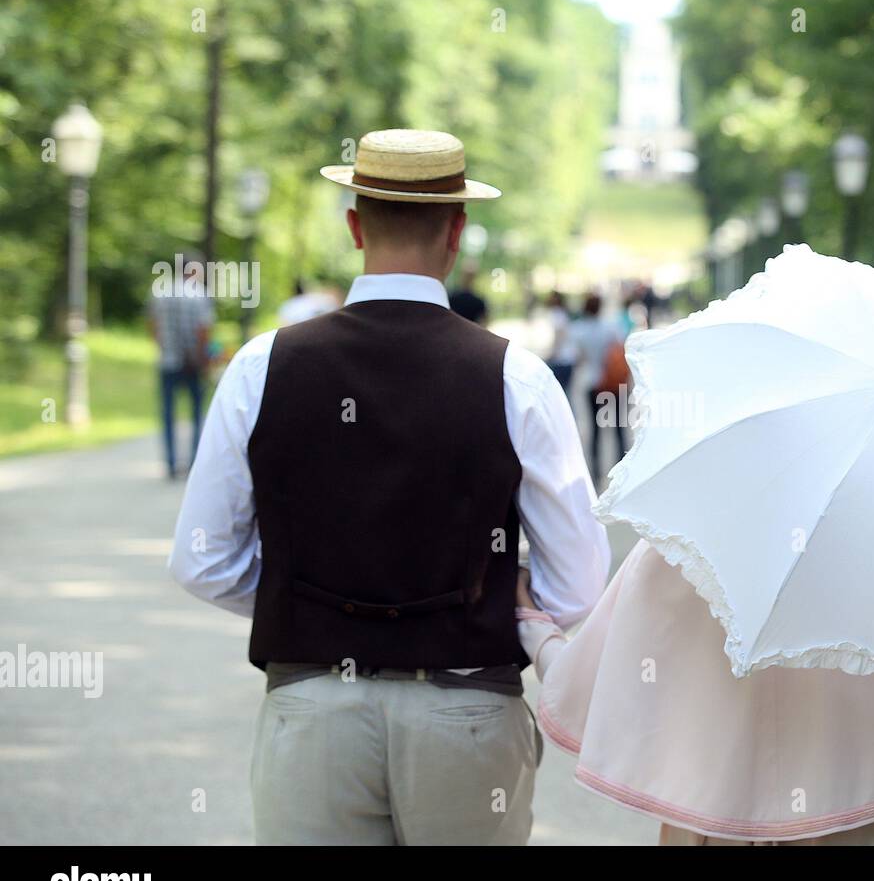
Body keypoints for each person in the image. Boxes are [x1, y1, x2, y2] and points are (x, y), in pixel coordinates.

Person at [168, 129, 610, 845]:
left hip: (311, 708)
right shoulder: (516, 378)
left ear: (353, 226)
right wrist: (496, 603)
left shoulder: (262, 366)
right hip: (465, 709)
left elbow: (200, 559)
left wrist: (306, 602)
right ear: (457, 231)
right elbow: (581, 581)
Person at [516, 541, 874, 846]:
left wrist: (538, 632)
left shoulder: (676, 546)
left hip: (709, 831)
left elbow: (589, 691)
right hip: (849, 827)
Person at [151, 252, 213, 479]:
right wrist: (204, 359)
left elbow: (154, 326)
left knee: (167, 412)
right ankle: (194, 461)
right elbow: (203, 332)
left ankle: (170, 463)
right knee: (197, 413)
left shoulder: (161, 293)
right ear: (193, 270)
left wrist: (163, 347)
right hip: (193, 363)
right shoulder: (199, 295)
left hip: (167, 360)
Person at [570, 292, 627, 478]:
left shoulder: (578, 330)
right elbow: (620, 349)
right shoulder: (610, 327)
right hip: (613, 383)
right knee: (618, 427)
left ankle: (595, 472)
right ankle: (622, 468)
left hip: (592, 383)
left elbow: (578, 358)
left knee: (595, 430)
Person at [543, 290, 577, 396]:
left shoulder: (556, 314)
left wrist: (552, 353)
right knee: (566, 393)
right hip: (568, 358)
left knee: (559, 393)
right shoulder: (564, 313)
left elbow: (559, 336)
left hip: (560, 359)